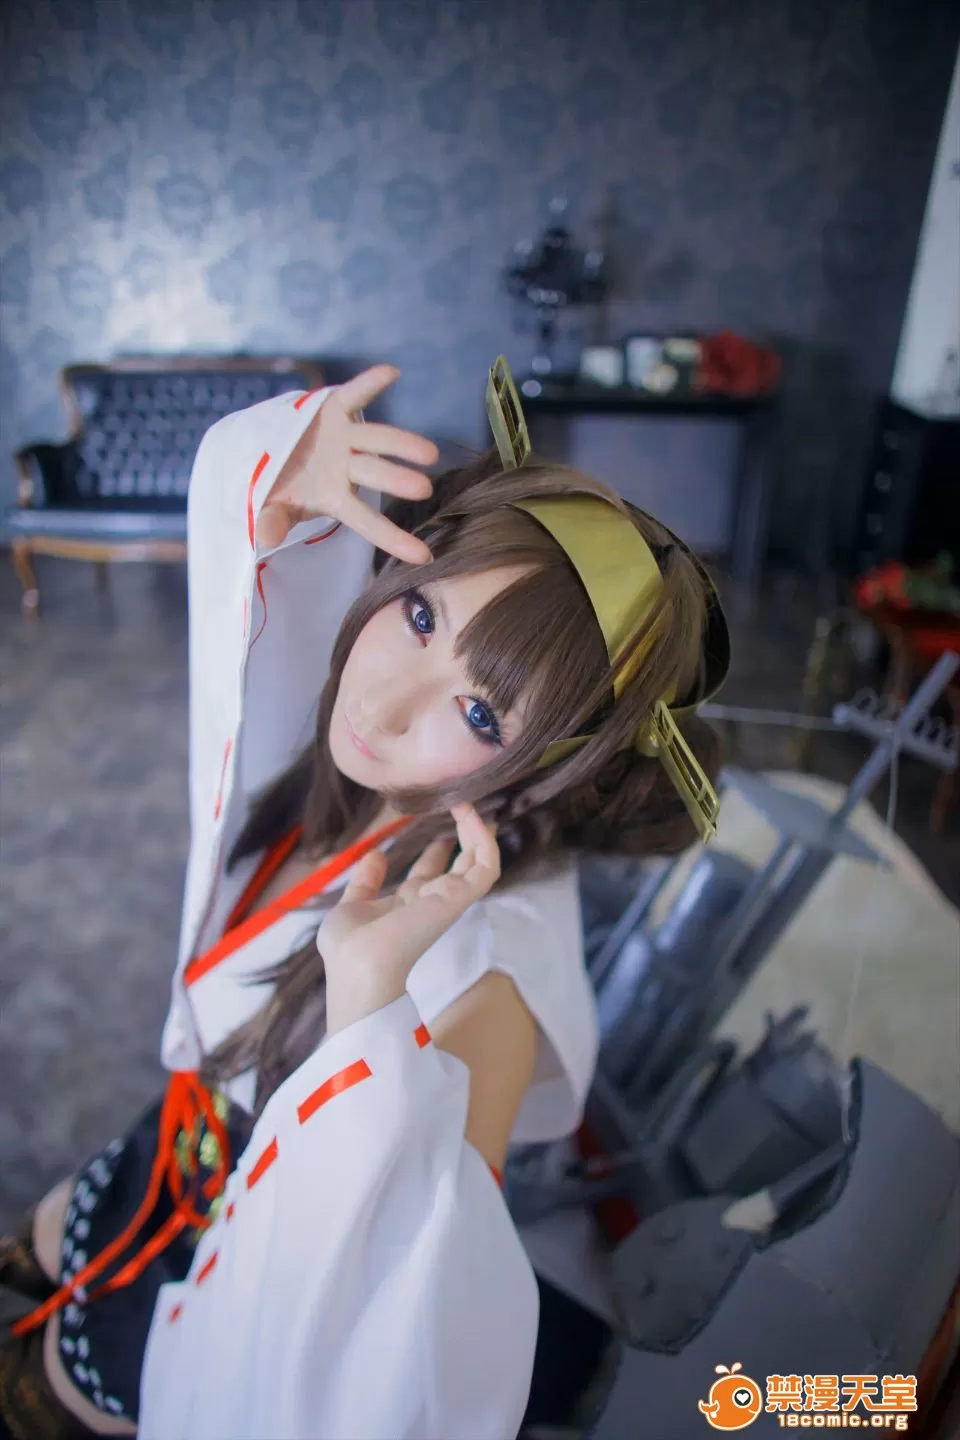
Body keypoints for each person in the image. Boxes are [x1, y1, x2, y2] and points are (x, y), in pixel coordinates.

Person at [0, 362, 726, 1439]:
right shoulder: (370, 766)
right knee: (43, 1242)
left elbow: (398, 1315)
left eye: (482, 715)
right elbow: (245, 594)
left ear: (546, 766)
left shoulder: (489, 982)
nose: (384, 701)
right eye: (421, 613)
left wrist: (368, 1007)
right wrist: (263, 471)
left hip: (231, 1260)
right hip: (179, 1137)